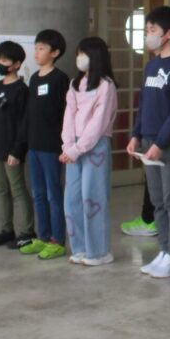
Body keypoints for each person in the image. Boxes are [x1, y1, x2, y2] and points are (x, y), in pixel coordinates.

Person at [127, 5, 170, 279]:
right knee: (157, 200)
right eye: (147, 30)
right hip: (147, 140)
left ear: (169, 33)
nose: (148, 35)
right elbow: (144, 103)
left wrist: (161, 143)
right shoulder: (152, 65)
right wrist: (136, 135)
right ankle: (164, 250)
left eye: (152, 30)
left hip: (169, 144)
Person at [62, 37, 119, 266]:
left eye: (83, 53)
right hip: (73, 147)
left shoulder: (106, 85)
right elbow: (69, 115)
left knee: (93, 197)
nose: (79, 58)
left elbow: (99, 122)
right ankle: (81, 248)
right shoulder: (75, 84)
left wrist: (77, 149)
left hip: (95, 146)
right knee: (72, 199)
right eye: (78, 53)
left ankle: (100, 251)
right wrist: (68, 145)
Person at [19, 29, 69, 259]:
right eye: (36, 48)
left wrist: (64, 142)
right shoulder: (34, 78)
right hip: (34, 144)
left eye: (41, 48)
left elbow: (64, 113)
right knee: (38, 193)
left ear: (55, 53)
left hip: (51, 145)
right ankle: (43, 236)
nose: (36, 52)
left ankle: (57, 240)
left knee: (53, 193)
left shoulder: (60, 79)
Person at [0, 40, 37, 250]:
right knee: (1, 190)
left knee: (18, 189)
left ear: (16, 64)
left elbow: (24, 123)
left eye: (5, 61)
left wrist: (17, 150)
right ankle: (7, 229)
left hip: (12, 148)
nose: (0, 64)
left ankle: (28, 231)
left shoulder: (21, 90)